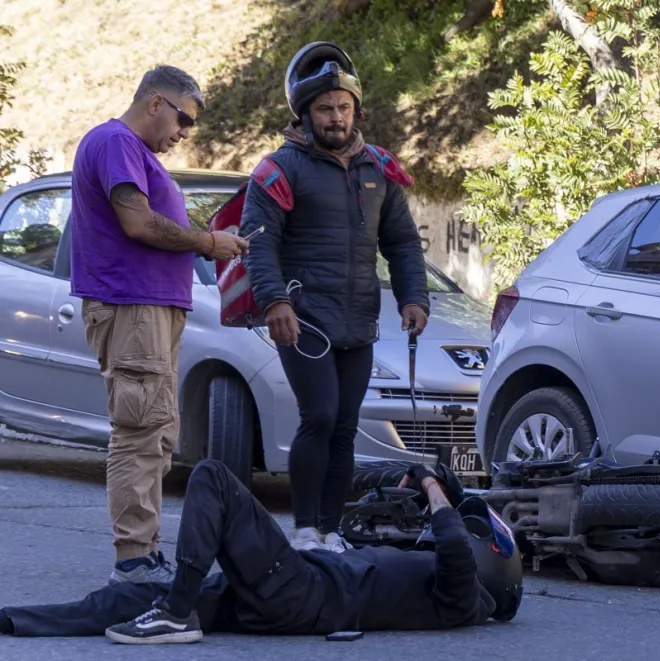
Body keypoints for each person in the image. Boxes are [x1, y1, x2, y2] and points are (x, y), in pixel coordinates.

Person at [238, 42, 430, 553]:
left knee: (344, 427)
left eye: (343, 107)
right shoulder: (278, 170)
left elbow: (403, 243)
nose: (336, 117)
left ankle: (329, 530)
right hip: (303, 319)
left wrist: (415, 297)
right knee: (318, 416)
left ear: (356, 110)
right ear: (304, 113)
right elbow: (259, 242)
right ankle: (303, 530)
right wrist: (275, 302)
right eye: (325, 108)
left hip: (358, 318)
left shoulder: (379, 169)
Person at [0, 459, 523, 643]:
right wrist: (408, 478)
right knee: (118, 605)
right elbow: (354, 500)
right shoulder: (425, 576)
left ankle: (175, 614)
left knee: (212, 477)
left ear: (491, 567)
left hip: (299, 590)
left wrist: (435, 489)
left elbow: (453, 542)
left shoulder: (464, 600)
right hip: (279, 600)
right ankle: (12, 622)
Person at [69, 65, 248, 585]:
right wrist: (209, 242)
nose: (185, 133)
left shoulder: (135, 151)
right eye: (184, 119)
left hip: (150, 309)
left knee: (156, 434)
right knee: (139, 432)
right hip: (131, 307)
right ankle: (133, 561)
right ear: (156, 103)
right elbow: (139, 222)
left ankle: (144, 555)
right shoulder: (115, 142)